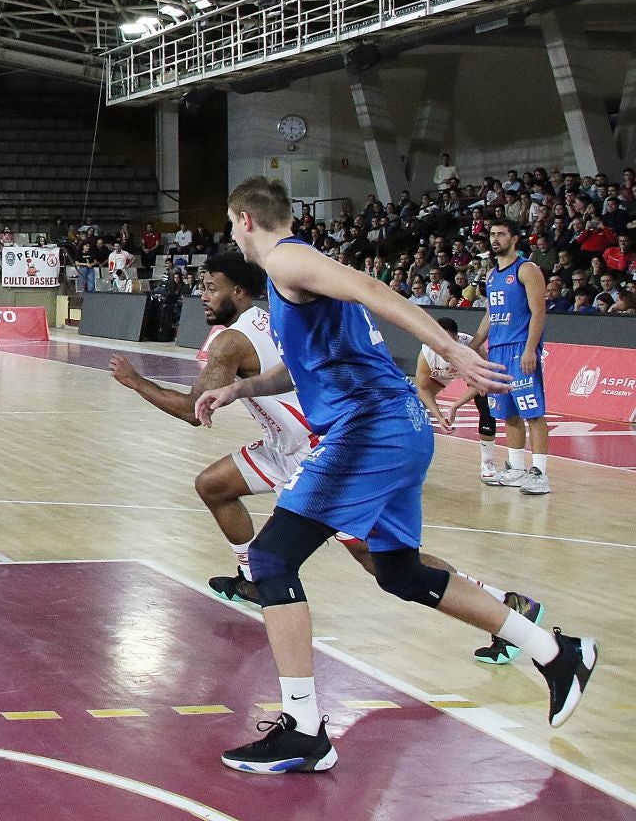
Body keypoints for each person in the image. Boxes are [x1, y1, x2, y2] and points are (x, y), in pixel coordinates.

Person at [195, 177, 593, 775]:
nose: (232, 237)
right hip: (397, 426)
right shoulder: (293, 276)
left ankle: (304, 730)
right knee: (400, 572)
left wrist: (452, 351)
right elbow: (311, 367)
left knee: (273, 560)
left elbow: (376, 289)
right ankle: (555, 652)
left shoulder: (287, 258)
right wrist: (245, 387)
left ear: (246, 220)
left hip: (370, 428)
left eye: (231, 225)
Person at [110, 258, 537, 661]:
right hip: (284, 443)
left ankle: (505, 604)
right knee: (213, 485)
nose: (202, 295)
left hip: (320, 450)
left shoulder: (231, 340)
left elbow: (191, 409)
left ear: (238, 292)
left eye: (210, 288)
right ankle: (253, 580)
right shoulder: (266, 318)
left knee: (383, 562)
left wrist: (134, 382)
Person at [469, 217, 551, 495]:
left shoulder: (526, 269)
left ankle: (540, 473)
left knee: (533, 412)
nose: (495, 239)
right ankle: (516, 467)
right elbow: (491, 316)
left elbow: (538, 312)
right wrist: (473, 346)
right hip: (498, 351)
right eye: (492, 234)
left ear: (514, 238)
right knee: (508, 412)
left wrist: (530, 349)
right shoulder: (491, 276)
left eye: (501, 234)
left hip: (520, 348)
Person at [414, 315, 498, 483]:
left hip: (469, 375)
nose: (444, 347)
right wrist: (438, 417)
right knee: (413, 408)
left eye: (450, 342)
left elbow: (481, 384)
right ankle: (411, 459)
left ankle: (487, 463)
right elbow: (423, 388)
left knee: (486, 401)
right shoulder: (427, 353)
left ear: (458, 339)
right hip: (441, 375)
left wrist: (455, 406)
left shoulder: (472, 347)